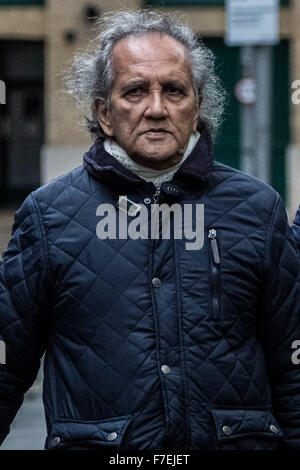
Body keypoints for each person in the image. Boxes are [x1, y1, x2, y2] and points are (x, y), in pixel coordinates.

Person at [0, 9, 300, 451]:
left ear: (197, 106)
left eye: (174, 91)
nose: (156, 109)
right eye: (135, 91)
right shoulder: (48, 217)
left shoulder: (257, 209)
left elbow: (292, 369)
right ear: (104, 112)